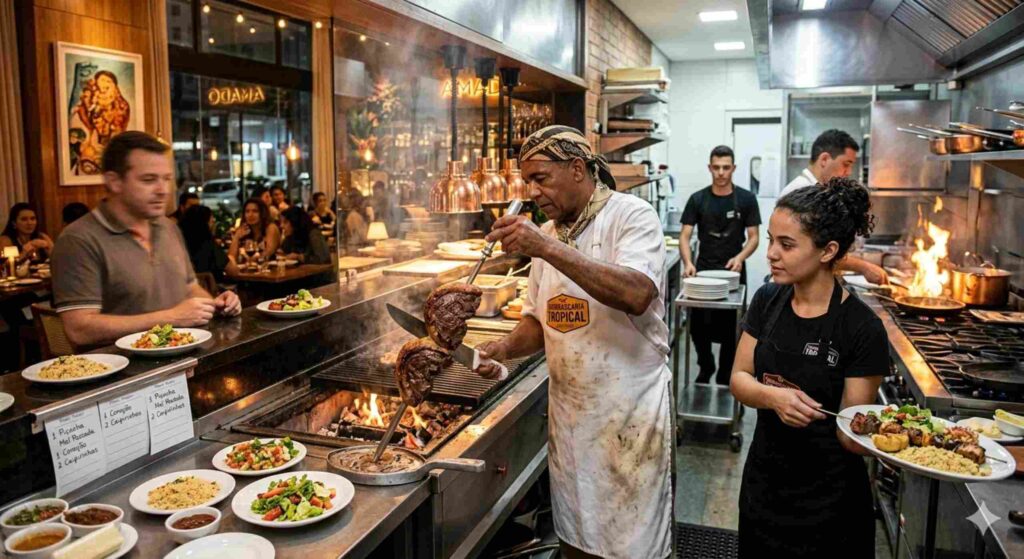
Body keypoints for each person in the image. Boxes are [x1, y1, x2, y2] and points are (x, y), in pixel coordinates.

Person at [474, 126, 671, 559]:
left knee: (632, 547)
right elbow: (538, 322)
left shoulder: (631, 216)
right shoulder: (549, 234)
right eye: (527, 182)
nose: (533, 191)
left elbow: (636, 294)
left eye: (541, 178)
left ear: (578, 169)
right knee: (575, 540)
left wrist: (545, 247)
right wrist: (501, 348)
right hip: (571, 419)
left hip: (628, 415)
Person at [730, 176, 888, 558]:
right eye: (770, 240)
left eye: (786, 244)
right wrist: (773, 397)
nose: (770, 253)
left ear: (827, 251)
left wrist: (896, 440)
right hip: (764, 489)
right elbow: (738, 378)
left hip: (829, 506)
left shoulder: (862, 327)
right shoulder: (768, 300)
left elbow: (852, 435)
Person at [51, 131, 241, 348]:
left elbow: (189, 288)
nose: (163, 191)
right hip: (121, 374)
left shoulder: (168, 227)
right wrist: (171, 318)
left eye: (167, 179)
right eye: (149, 179)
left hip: (182, 362)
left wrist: (215, 304)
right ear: (114, 182)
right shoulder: (78, 240)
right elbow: (79, 329)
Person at [680, 145, 761, 385]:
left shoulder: (746, 199)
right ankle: (706, 366)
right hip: (702, 271)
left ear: (733, 168)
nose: (721, 172)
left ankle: (726, 373)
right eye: (716, 167)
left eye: (726, 167)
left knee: (731, 330)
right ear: (710, 168)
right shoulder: (698, 199)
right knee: (698, 327)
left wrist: (740, 257)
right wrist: (687, 262)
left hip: (733, 273)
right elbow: (685, 235)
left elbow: (754, 237)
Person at [780, 129, 888, 286]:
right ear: (824, 159)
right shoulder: (800, 193)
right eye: (846, 164)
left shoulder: (818, 191)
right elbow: (813, 253)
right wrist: (863, 266)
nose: (848, 172)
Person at [178, 204, 232, 280]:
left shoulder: (180, 244)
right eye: (211, 220)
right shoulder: (209, 245)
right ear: (204, 224)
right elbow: (233, 271)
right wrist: (231, 257)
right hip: (209, 290)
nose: (213, 222)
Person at [228, 198, 281, 267]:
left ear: (262, 213)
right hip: (246, 273)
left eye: (255, 211)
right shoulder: (243, 229)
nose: (250, 215)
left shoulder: (270, 228)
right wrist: (236, 237)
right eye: (247, 211)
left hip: (269, 272)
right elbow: (231, 259)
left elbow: (268, 252)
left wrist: (251, 261)